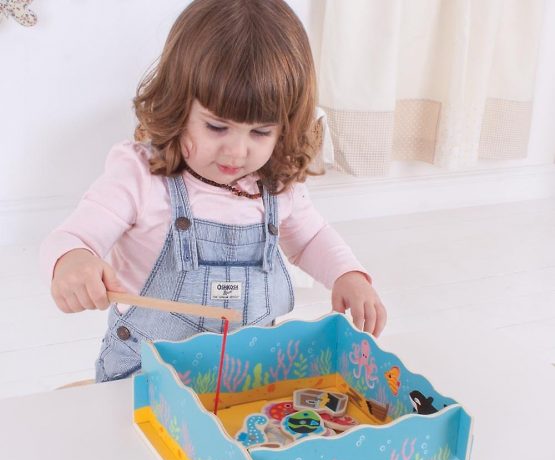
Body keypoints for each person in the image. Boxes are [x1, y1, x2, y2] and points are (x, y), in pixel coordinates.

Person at [40, 0, 387, 383]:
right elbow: (73, 237)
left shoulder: (276, 183)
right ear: (178, 104)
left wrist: (347, 274)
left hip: (247, 374)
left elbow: (310, 239)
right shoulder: (140, 175)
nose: (237, 151)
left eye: (260, 132)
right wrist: (72, 261)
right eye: (217, 127)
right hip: (147, 374)